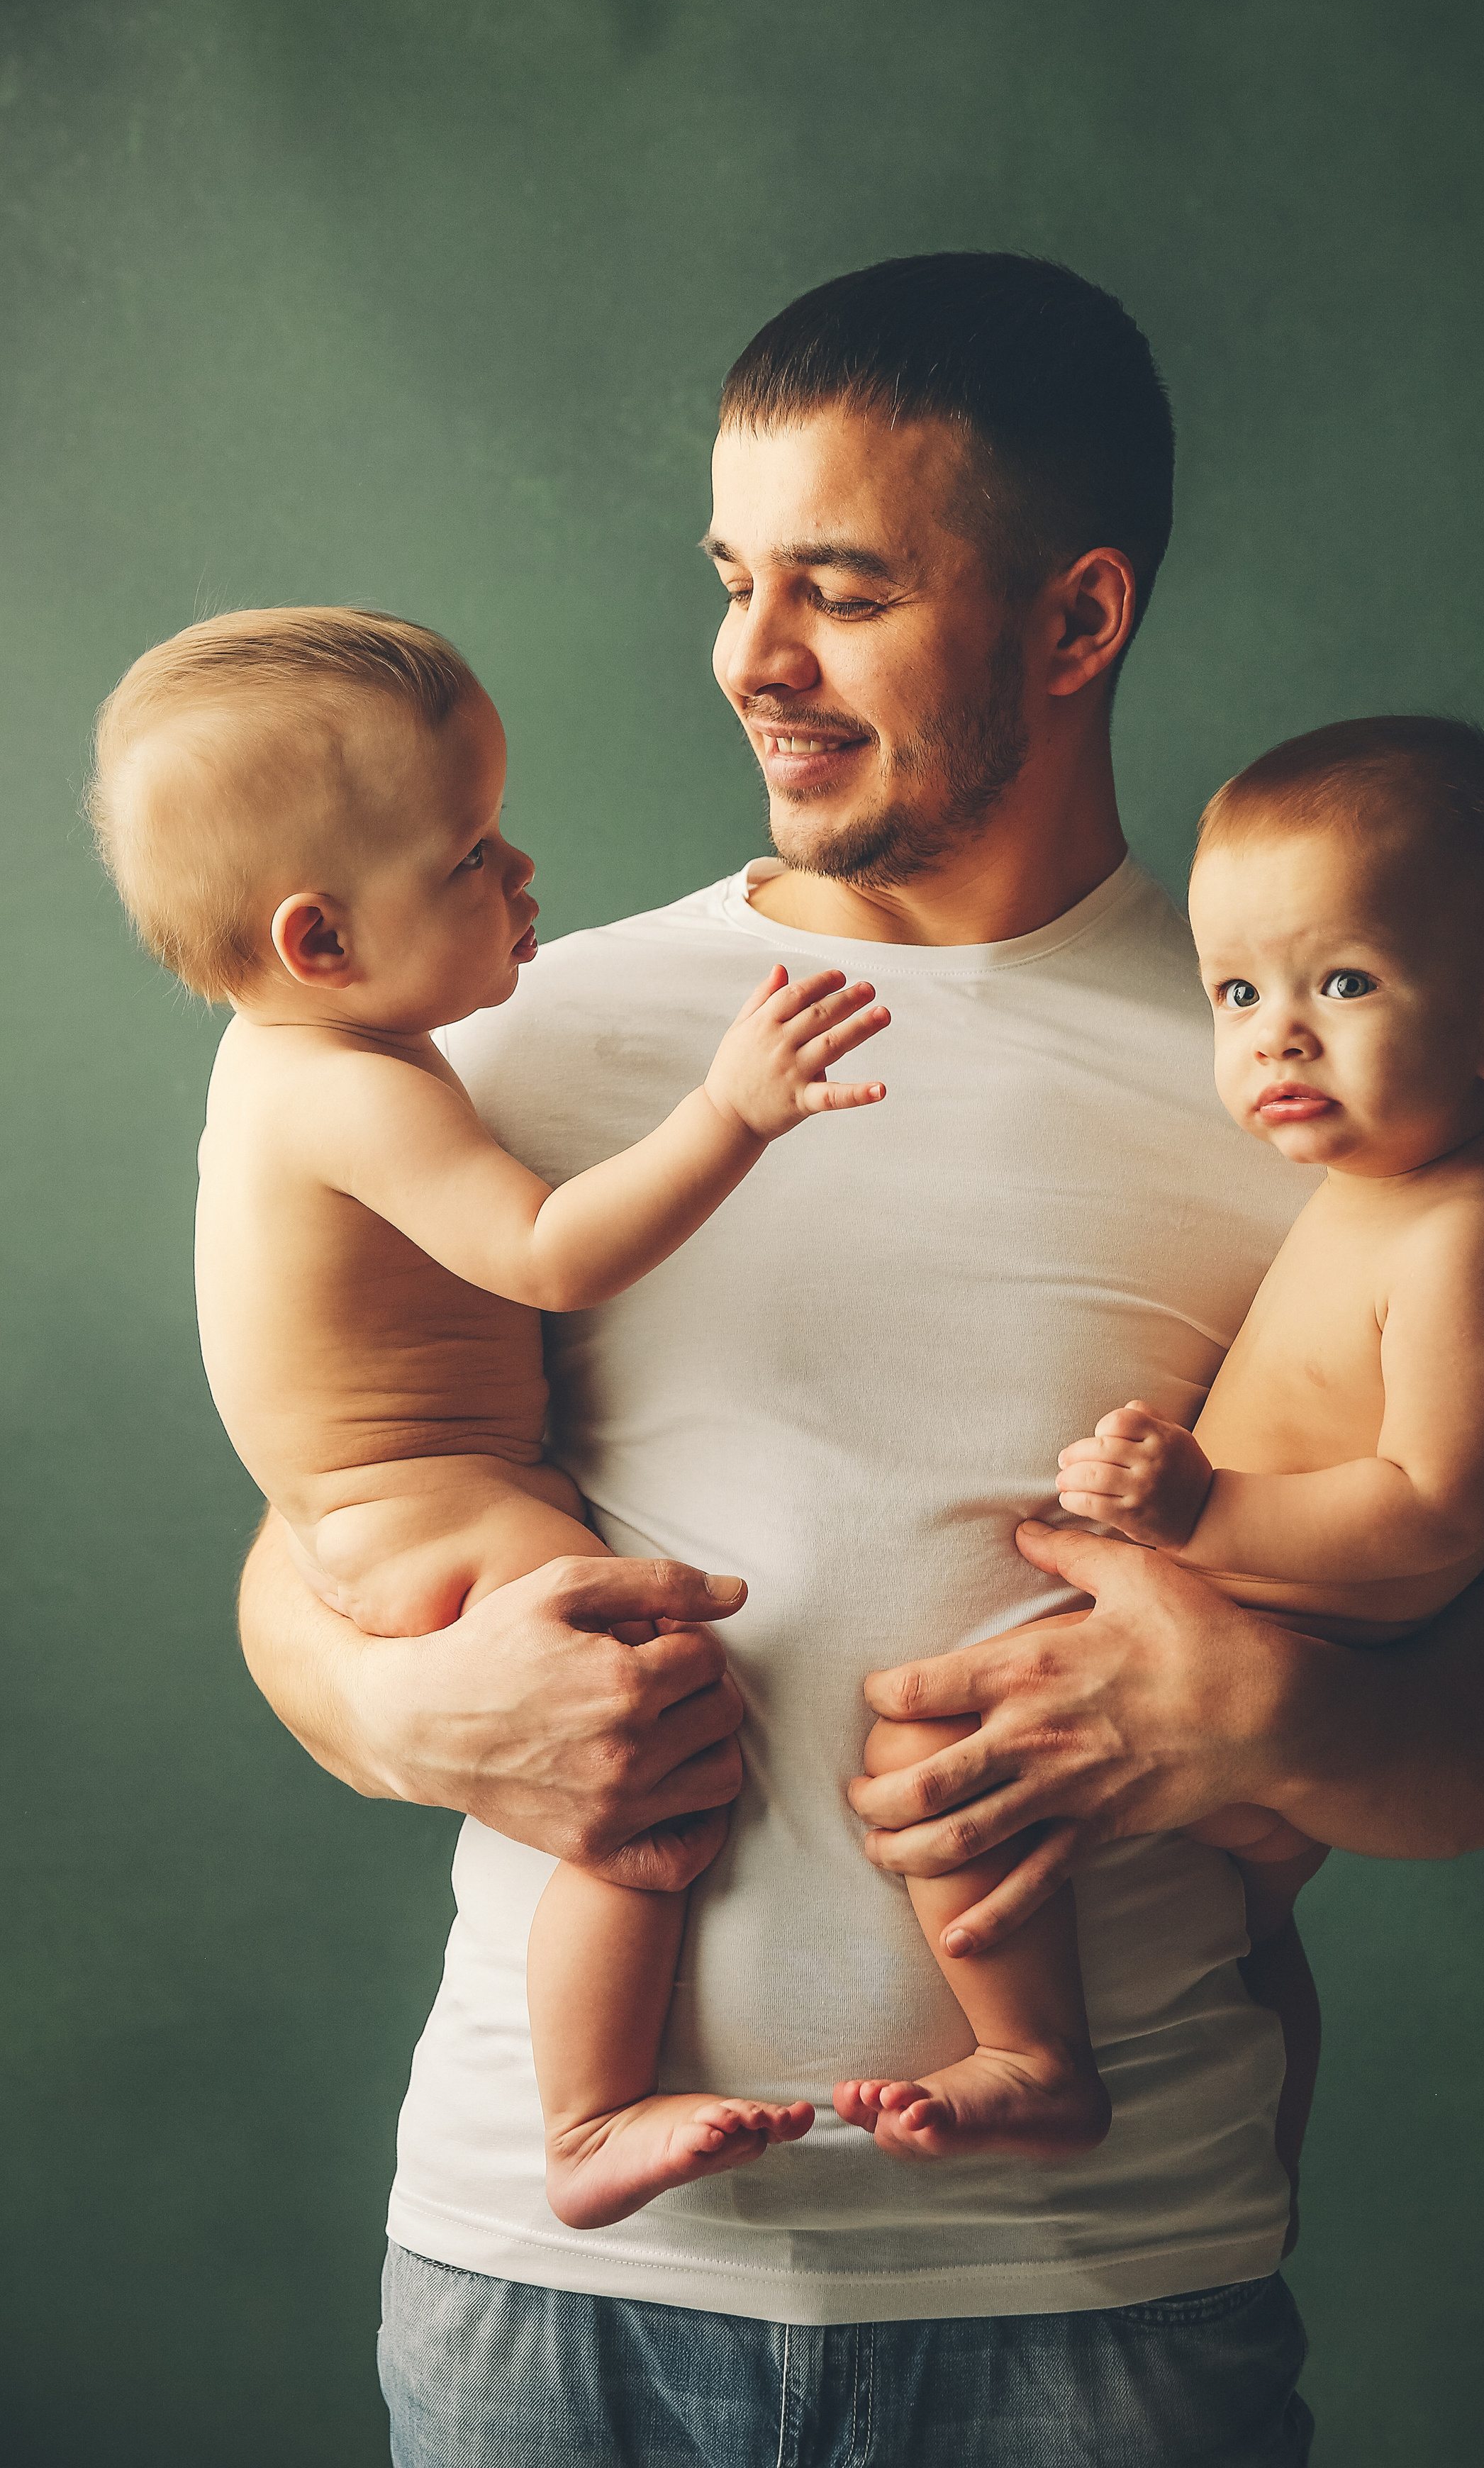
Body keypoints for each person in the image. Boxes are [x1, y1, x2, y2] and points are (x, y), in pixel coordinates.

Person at [235, 254, 1484, 2467]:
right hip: (548, 2287)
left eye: (841, 594)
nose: (748, 662)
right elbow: (327, 1523)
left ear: (1074, 626)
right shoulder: (514, 1040)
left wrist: (1279, 1707)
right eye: (730, 581)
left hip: (1102, 2311)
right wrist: (397, 1703)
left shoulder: (1323, 1074)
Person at [88, 609, 893, 2226]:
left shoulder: (298, 1058)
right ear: (317, 941)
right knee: (654, 1754)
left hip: (403, 1509)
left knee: (647, 1741)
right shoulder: (353, 1088)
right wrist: (729, 1115)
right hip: (436, 1505)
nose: (523, 876)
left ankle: (595, 2109)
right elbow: (545, 1245)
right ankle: (590, 2118)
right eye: (468, 861)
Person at [839, 714, 1484, 2178]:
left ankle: (1033, 2054)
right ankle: (1268, 2157)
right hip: (1245, 1648)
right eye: (1236, 991)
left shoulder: (1463, 1230)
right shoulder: (1465, 1158)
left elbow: (1435, 1513)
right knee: (1257, 1955)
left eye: (1345, 982)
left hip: (1283, 1632)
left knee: (922, 1741)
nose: (1272, 1038)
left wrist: (1198, 1512)